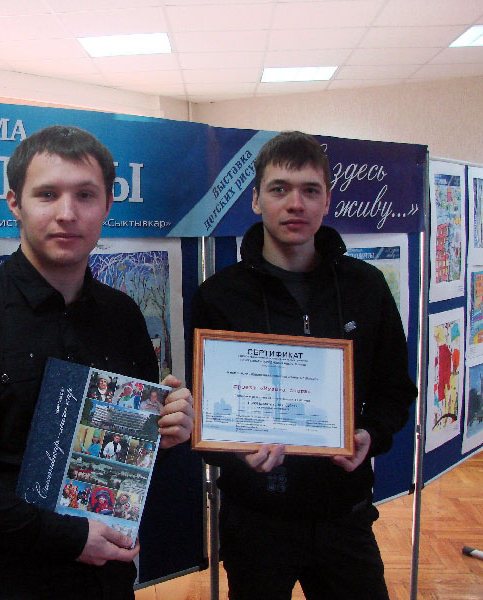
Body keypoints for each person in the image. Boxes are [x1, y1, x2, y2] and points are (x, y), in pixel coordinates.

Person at [0, 125, 193, 599]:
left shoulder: (122, 316)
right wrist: (66, 537)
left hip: (106, 578)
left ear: (107, 205)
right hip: (2, 579)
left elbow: (130, 448)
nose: (67, 214)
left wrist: (169, 428)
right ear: (15, 203)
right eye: (47, 194)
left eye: (85, 195)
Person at [191, 131, 416, 600]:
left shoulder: (366, 286)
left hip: (345, 514)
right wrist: (233, 452)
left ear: (327, 200)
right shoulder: (219, 296)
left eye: (310, 190)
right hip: (255, 521)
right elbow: (205, 415)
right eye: (279, 189)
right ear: (256, 199)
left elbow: (396, 390)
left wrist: (370, 434)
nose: (295, 203)